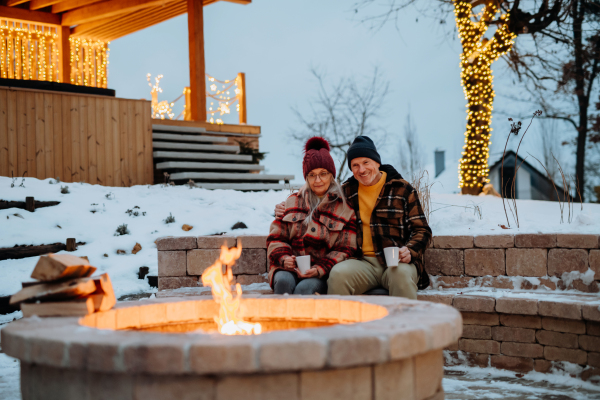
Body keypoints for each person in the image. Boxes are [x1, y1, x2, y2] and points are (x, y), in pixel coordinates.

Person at [275, 136, 432, 298]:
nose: (361, 170)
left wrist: (410, 250)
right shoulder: (347, 192)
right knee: (338, 274)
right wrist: (285, 207)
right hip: (361, 263)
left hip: (396, 263)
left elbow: (422, 230)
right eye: (355, 165)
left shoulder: (402, 189)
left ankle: (405, 322)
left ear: (377, 162)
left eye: (366, 162)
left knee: (401, 276)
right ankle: (342, 322)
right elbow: (316, 205)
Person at [267, 137, 358, 295]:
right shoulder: (293, 201)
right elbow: (276, 238)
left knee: (304, 289)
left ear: (331, 175)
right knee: (283, 282)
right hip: (289, 268)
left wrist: (319, 269)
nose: (318, 180)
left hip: (320, 273)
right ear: (306, 178)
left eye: (323, 173)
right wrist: (283, 258)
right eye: (312, 175)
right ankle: (280, 319)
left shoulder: (344, 209)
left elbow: (346, 248)